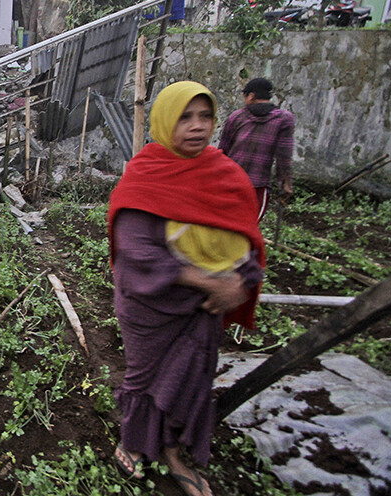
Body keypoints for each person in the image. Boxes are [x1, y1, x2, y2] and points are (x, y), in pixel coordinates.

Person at [107, 81, 265, 496]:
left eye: (205, 116)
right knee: (144, 378)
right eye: (184, 117)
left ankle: (173, 452)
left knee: (192, 378)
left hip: (204, 309)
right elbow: (138, 251)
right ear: (164, 121)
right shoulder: (147, 174)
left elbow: (244, 235)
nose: (196, 127)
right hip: (151, 305)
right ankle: (133, 441)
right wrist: (210, 281)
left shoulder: (225, 175)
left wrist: (242, 282)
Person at [218, 78, 295, 219]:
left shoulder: (237, 117)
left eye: (245, 96)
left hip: (231, 182)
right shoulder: (284, 119)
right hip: (258, 185)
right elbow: (284, 156)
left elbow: (223, 151)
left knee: (224, 220)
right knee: (250, 225)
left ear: (251, 96)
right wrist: (285, 183)